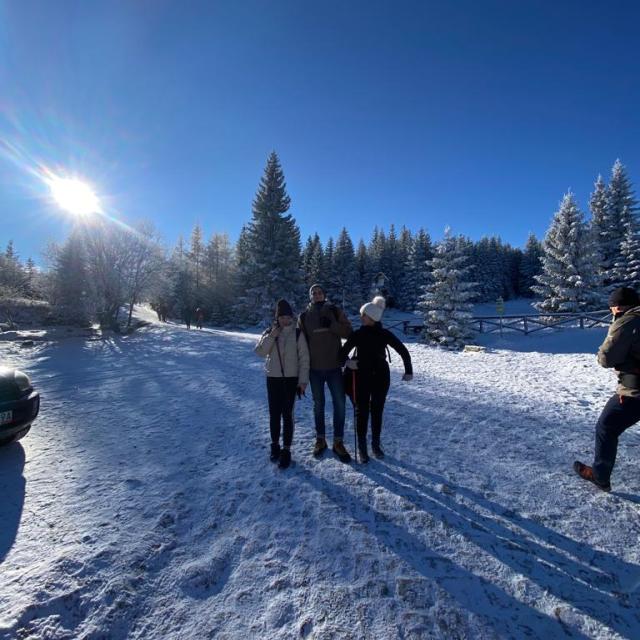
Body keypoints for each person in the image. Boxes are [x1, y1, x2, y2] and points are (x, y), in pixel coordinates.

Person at [574, 287, 640, 491]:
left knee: (606, 427)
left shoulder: (627, 322)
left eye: (612, 307)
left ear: (618, 306)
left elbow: (606, 358)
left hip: (634, 391)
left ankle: (600, 476)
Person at [340, 296, 412, 463]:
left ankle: (375, 444)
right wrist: (348, 362)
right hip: (361, 376)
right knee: (361, 411)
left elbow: (403, 350)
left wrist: (408, 370)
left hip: (381, 377)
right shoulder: (357, 334)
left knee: (377, 411)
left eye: (363, 315)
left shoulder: (384, 334)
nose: (361, 317)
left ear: (372, 317)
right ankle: (363, 446)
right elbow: (341, 353)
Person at [299, 284, 353, 462]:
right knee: (318, 405)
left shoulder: (335, 311)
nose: (316, 295)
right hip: (314, 369)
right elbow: (301, 344)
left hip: (334, 368)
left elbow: (349, 333)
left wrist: (332, 325)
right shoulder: (304, 316)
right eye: (313, 293)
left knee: (340, 404)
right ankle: (320, 440)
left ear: (324, 295)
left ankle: (338, 442)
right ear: (310, 296)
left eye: (319, 292)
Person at [255, 299, 309, 469]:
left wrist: (302, 381)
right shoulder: (270, 332)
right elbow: (260, 352)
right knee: (274, 414)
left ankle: (286, 450)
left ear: (292, 317)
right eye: (282, 317)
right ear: (277, 318)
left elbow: (304, 359)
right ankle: (275, 445)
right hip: (273, 378)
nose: (285, 320)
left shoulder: (298, 334)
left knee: (287, 415)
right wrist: (272, 336)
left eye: (288, 317)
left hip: (291, 379)